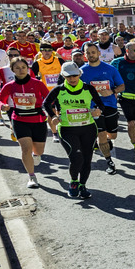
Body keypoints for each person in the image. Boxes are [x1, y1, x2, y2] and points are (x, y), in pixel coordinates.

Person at [44, 63, 104, 199]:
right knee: (76, 158)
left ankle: (83, 185)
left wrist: (99, 110)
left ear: (79, 75)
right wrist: (53, 116)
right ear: (63, 76)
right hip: (67, 129)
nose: (72, 79)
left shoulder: (88, 88)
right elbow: (46, 103)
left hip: (88, 128)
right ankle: (73, 182)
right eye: (68, 76)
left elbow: (100, 104)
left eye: (75, 75)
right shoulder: (59, 90)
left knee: (87, 159)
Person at [0, 57, 51, 189]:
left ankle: (36, 155)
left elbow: (49, 98)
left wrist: (52, 110)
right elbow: (0, 100)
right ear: (12, 70)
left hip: (37, 119)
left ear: (28, 68)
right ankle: (32, 176)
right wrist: (3, 106)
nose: (21, 70)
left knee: (39, 150)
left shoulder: (37, 83)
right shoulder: (9, 86)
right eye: (17, 68)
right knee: (25, 149)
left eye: (23, 67)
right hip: (19, 119)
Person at [80, 43, 125, 174]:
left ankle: (107, 140)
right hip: (93, 108)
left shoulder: (110, 69)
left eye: (93, 52)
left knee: (113, 135)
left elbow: (122, 86)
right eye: (88, 53)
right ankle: (109, 161)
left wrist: (112, 91)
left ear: (99, 53)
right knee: (101, 135)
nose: (91, 55)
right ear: (85, 54)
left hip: (109, 105)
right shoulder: (82, 72)